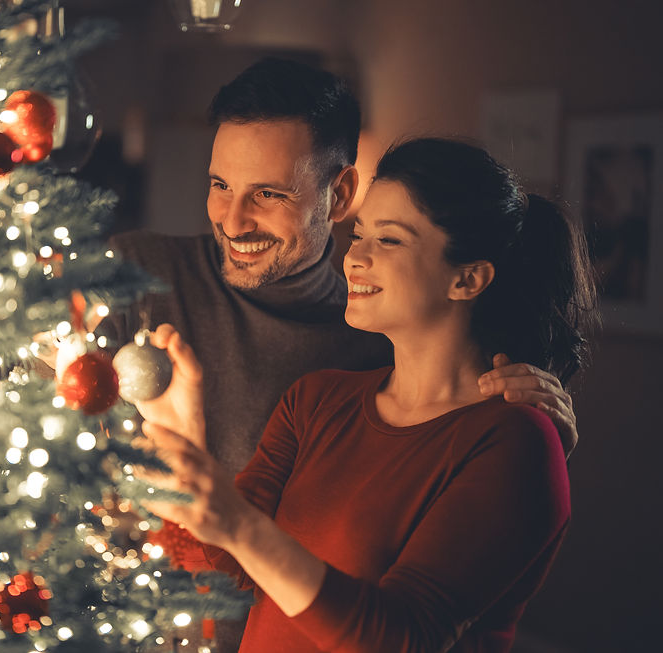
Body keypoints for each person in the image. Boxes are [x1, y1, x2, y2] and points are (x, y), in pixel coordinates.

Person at [103, 57, 579, 650]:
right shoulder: (318, 396)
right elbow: (225, 566)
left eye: (389, 240)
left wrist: (236, 520)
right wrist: (185, 445)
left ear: (468, 279)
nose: (355, 257)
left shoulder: (508, 434)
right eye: (362, 235)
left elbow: (402, 634)